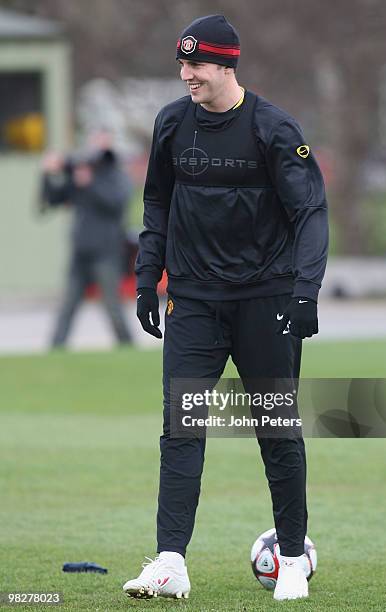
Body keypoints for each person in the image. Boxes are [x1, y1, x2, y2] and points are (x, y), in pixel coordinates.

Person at [124, 14, 328, 602]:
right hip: (194, 301)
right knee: (180, 428)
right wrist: (146, 281)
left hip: (265, 301)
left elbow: (311, 213)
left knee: (276, 429)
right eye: (181, 64)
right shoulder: (170, 124)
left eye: (196, 65)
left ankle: (292, 558)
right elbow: (156, 203)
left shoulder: (274, 129)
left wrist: (306, 292)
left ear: (226, 66)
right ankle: (169, 563)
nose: (186, 74)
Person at [41, 131, 133, 348]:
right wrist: (47, 174)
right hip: (80, 251)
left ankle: (128, 347)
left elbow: (116, 204)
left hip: (106, 251)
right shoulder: (81, 174)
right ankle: (56, 348)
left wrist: (90, 183)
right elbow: (54, 199)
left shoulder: (115, 175)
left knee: (112, 305)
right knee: (68, 304)